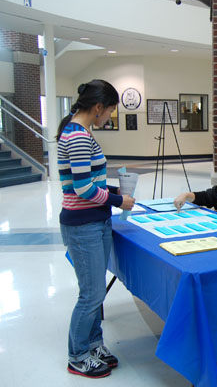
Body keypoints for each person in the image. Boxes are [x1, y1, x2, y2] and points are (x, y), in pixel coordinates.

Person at [57, 80, 135, 379]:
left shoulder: (82, 133)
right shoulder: (77, 136)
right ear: (99, 107)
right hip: (84, 225)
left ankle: (93, 344)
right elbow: (83, 188)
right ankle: (77, 355)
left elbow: (90, 182)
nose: (110, 117)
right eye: (111, 110)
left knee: (95, 292)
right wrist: (118, 199)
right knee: (90, 295)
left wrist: (115, 191)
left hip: (95, 220)